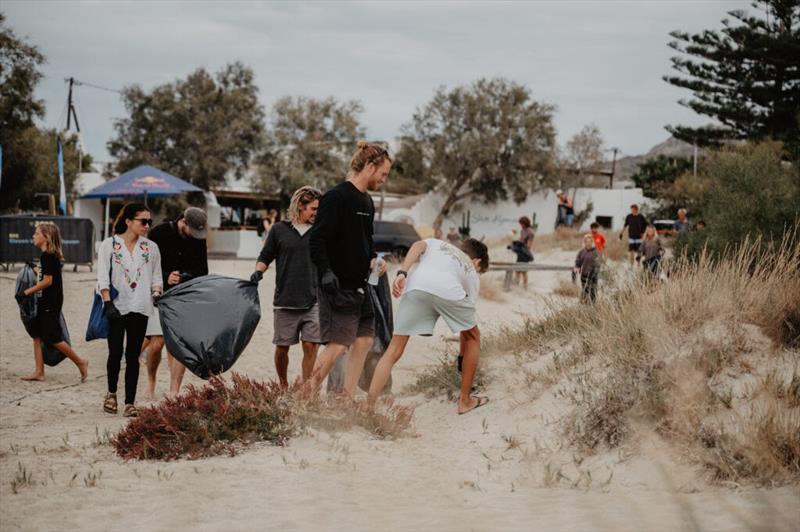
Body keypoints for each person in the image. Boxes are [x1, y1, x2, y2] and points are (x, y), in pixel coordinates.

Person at [367, 238, 490, 414]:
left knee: (394, 349)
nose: (477, 272)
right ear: (477, 262)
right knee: (474, 337)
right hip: (448, 291)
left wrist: (402, 272)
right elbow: (467, 333)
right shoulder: (471, 270)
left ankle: (369, 405)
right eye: (480, 270)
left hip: (416, 286)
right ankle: (465, 401)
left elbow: (417, 245)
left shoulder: (438, 243)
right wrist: (461, 361)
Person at [307, 141, 391, 397]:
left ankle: (347, 396)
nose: (384, 180)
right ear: (369, 166)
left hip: (361, 285)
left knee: (364, 340)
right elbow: (316, 238)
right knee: (337, 345)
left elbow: (367, 242)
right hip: (338, 285)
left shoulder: (366, 202)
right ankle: (303, 397)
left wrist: (375, 259)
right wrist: (325, 271)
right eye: (383, 173)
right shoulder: (336, 197)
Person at [251, 186, 323, 388]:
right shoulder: (279, 230)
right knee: (282, 348)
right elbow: (265, 256)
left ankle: (306, 388)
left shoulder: (320, 231)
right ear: (301, 206)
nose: (317, 213)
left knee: (310, 345)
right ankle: (283, 385)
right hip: (285, 300)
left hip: (313, 300)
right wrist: (258, 271)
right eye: (314, 209)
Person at [97, 203, 162, 417]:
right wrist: (107, 303)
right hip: (117, 306)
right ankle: (111, 393)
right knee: (115, 353)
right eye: (143, 221)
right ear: (128, 222)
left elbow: (156, 277)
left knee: (133, 355)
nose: (147, 225)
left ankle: (129, 403)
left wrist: (156, 293)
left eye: (149, 221)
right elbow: (102, 277)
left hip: (141, 307)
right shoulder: (109, 244)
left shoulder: (151, 248)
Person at [141, 207, 209, 399]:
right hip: (158, 293)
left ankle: (174, 390)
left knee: (180, 345)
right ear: (183, 221)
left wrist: (184, 277)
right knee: (156, 343)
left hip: (185, 296)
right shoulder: (158, 233)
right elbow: (145, 265)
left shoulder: (198, 240)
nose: (195, 236)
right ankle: (151, 381)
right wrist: (165, 277)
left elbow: (203, 271)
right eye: (192, 230)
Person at [15, 222, 89, 382]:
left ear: (46, 237)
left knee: (51, 337)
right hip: (45, 300)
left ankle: (80, 361)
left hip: (50, 302)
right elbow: (46, 275)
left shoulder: (48, 255)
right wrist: (36, 269)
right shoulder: (48, 256)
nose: (33, 236)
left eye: (36, 233)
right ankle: (39, 372)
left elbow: (48, 281)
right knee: (36, 334)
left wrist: (27, 291)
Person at [574, 234, 599, 303]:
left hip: (593, 274)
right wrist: (577, 267)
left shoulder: (596, 251)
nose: (588, 244)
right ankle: (585, 303)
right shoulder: (582, 252)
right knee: (585, 289)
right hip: (584, 274)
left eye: (590, 242)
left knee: (593, 290)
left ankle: (593, 304)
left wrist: (596, 269)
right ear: (584, 243)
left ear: (592, 242)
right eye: (586, 242)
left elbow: (600, 262)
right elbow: (578, 261)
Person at [515, 216, 535, 289]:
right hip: (520, 253)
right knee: (517, 270)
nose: (521, 225)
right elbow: (521, 240)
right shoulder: (522, 231)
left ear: (525, 223)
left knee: (524, 271)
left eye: (521, 224)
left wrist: (522, 245)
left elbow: (529, 245)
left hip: (525, 254)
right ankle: (516, 285)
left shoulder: (530, 232)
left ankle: (525, 287)